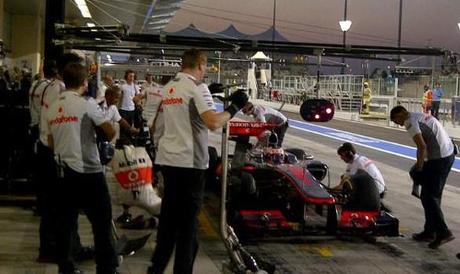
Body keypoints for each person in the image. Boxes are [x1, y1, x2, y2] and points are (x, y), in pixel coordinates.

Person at [147, 48, 248, 274]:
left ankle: (154, 270)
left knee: (168, 226)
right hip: (190, 166)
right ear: (201, 65)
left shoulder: (169, 88)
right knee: (187, 232)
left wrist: (207, 94)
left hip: (169, 162)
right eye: (205, 68)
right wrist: (234, 107)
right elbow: (213, 122)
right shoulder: (197, 88)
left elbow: (159, 124)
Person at [46, 63, 119, 274]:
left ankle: (66, 268)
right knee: (101, 224)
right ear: (84, 83)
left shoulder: (52, 106)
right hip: (89, 173)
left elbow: (50, 141)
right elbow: (109, 131)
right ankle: (107, 268)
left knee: (66, 225)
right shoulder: (86, 104)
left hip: (62, 172)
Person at [36, 54, 93, 263]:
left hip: (51, 149)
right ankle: (55, 250)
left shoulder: (54, 88)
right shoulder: (59, 91)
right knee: (59, 207)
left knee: (61, 205)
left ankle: (68, 247)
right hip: (53, 151)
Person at [390, 105, 455, 249]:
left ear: (401, 114)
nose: (399, 124)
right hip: (447, 153)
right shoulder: (418, 115)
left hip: (440, 159)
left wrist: (419, 168)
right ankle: (430, 231)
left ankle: (443, 232)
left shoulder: (410, 122)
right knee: (431, 195)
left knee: (429, 197)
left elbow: (422, 146)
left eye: (397, 121)